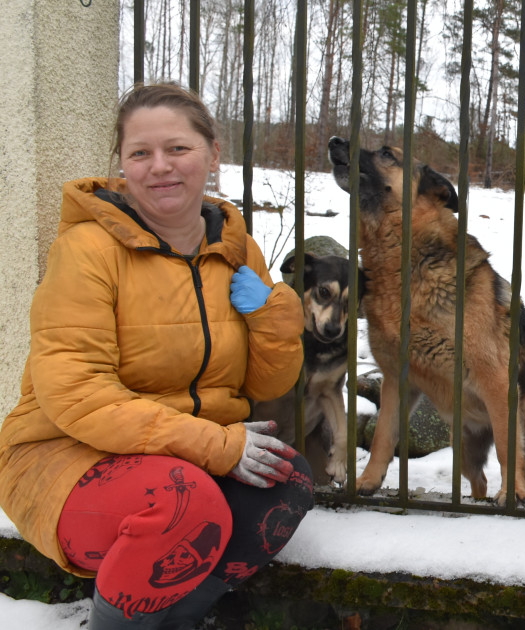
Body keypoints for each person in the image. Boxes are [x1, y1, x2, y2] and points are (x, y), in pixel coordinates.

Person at [0, 83, 313, 629]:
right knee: (185, 506)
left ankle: (171, 620)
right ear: (122, 164)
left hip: (181, 462)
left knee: (287, 483)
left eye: (177, 149)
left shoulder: (236, 248)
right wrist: (215, 444)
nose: (159, 167)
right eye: (140, 154)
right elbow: (76, 393)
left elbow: (270, 378)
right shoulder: (87, 251)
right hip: (67, 454)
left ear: (213, 153)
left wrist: (272, 313)